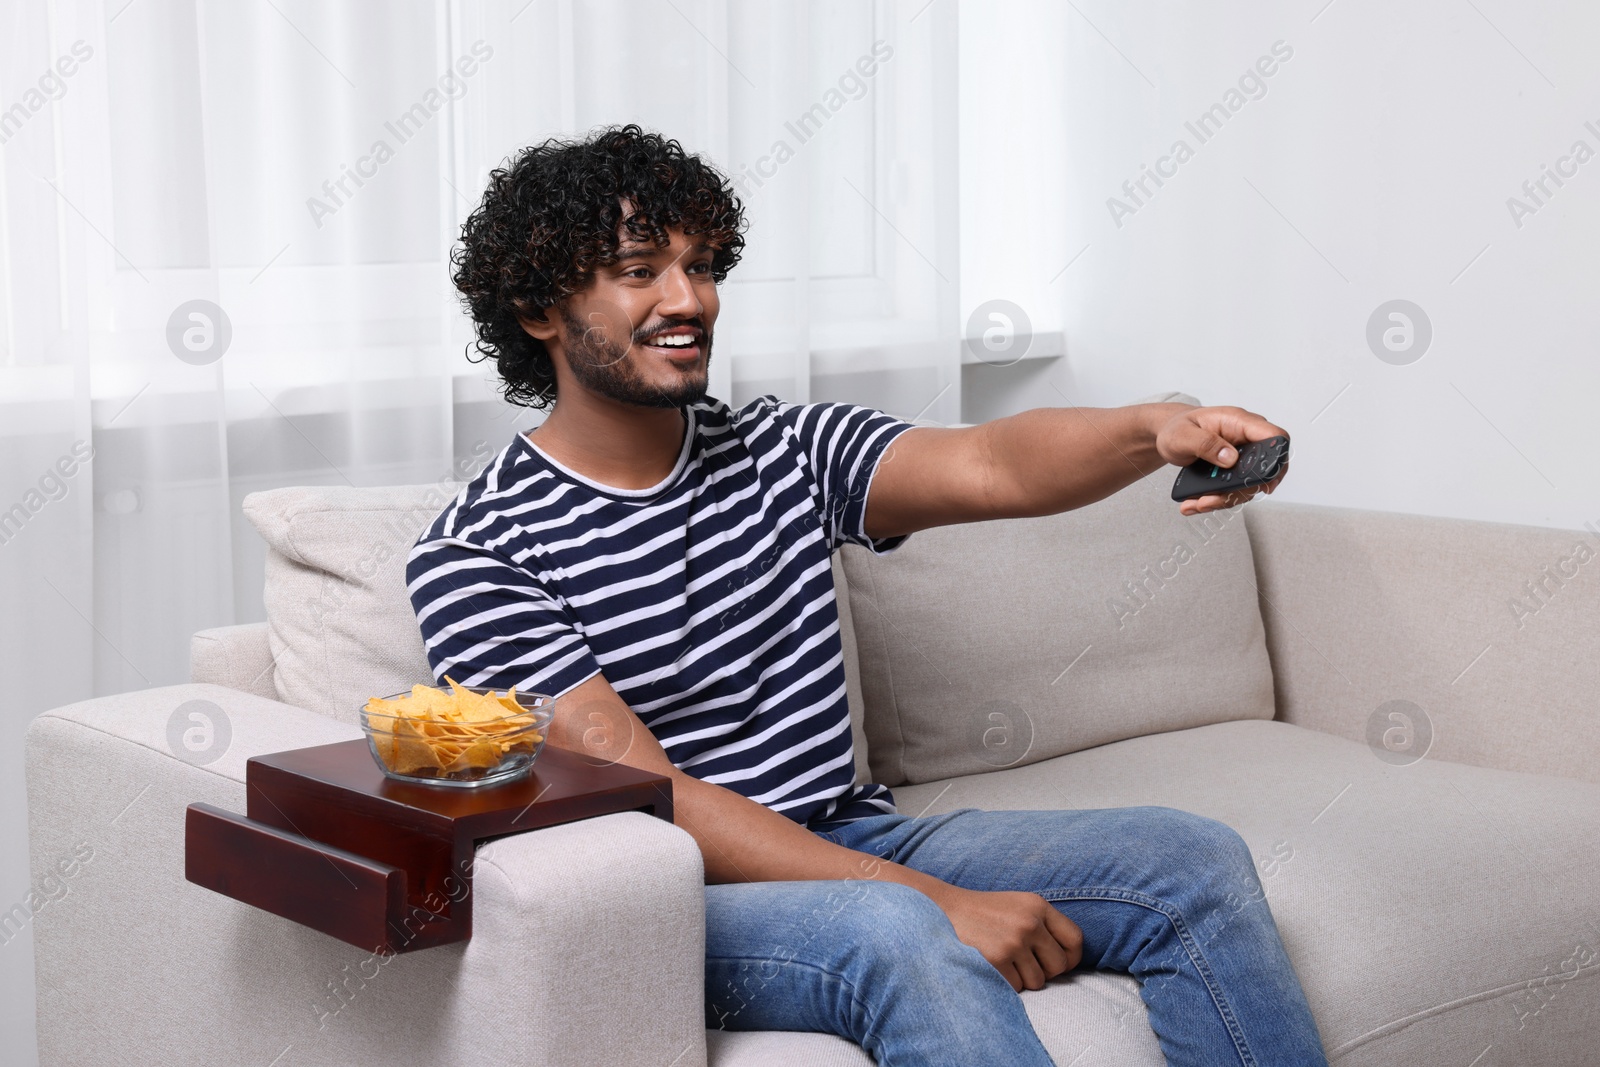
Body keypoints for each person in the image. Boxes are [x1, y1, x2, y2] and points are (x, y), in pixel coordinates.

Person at [408, 123, 1328, 1067]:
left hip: (854, 835)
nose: (690, 299)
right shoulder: (480, 552)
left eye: (704, 265)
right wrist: (930, 901)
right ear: (536, 309)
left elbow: (989, 463)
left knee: (1189, 864)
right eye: (641, 270)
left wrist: (1157, 429)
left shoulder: (785, 450)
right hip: (684, 902)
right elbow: (657, 802)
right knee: (895, 936)